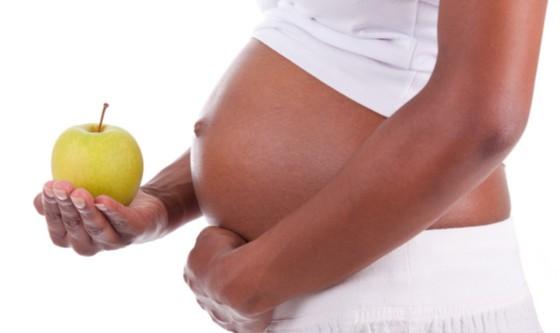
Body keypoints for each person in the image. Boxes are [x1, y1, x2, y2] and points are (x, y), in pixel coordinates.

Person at [33, 0, 547, 332]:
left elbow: (481, 117)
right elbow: (330, 55)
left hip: (407, 293)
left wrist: (252, 277)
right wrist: (167, 199)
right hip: (307, 289)